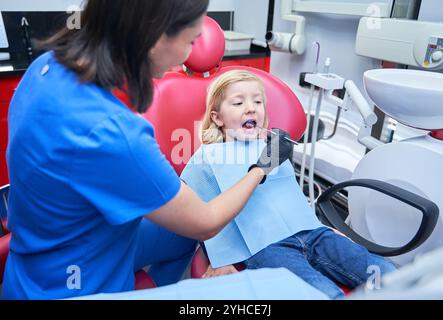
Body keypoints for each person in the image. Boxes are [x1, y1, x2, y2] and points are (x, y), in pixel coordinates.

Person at [2, 0, 294, 300]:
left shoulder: (47, 65)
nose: (189, 54)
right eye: (190, 41)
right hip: (72, 288)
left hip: (35, 260)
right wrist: (261, 167)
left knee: (179, 238)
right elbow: (205, 223)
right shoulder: (113, 132)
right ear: (155, 36)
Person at [181, 70, 396, 299]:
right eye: (238, 102)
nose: (251, 108)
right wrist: (219, 259)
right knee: (323, 294)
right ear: (217, 118)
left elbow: (287, 196)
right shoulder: (209, 157)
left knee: (386, 274)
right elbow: (201, 214)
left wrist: (323, 226)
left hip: (314, 233)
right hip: (266, 247)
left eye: (258, 101)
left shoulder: (272, 147)